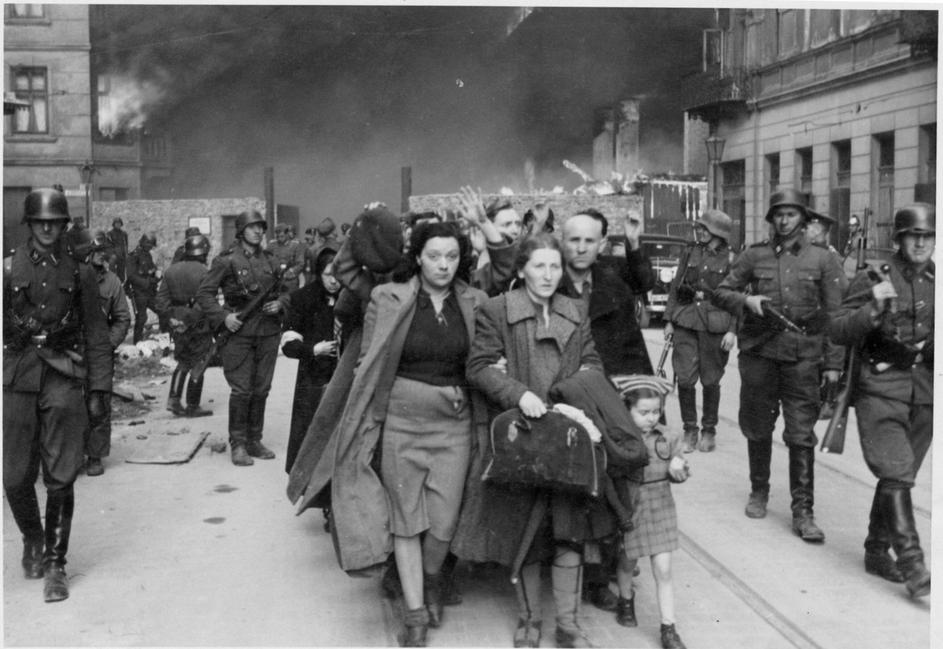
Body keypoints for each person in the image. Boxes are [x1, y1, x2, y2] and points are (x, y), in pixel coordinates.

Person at [463, 233, 607, 649]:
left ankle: (568, 624)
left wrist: (573, 397)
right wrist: (517, 393)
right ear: (522, 268)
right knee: (525, 532)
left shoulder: (575, 311)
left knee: (568, 530)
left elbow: (593, 362)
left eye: (555, 266)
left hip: (565, 433)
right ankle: (528, 620)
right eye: (539, 266)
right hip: (521, 437)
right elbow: (479, 367)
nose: (547, 275)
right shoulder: (496, 310)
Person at [712, 188, 845, 542]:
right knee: (757, 426)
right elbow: (721, 291)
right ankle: (759, 490)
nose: (784, 220)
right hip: (760, 354)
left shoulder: (823, 260)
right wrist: (747, 299)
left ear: (803, 218)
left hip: (804, 358)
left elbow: (837, 317)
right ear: (771, 219)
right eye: (779, 215)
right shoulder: (753, 255)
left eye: (791, 214)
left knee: (801, 434)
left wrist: (833, 365)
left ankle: (803, 512)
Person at [3, 188, 113, 602]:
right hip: (18, 375)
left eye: (56, 221)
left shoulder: (81, 272)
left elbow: (97, 335)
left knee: (62, 474)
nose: (48, 228)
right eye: (40, 222)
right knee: (14, 477)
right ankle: (32, 538)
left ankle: (55, 564)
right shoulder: (7, 269)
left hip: (64, 375)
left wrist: (99, 387)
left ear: (65, 225)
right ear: (29, 225)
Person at [828, 203, 933, 599]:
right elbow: (837, 328)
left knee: (899, 476)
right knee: (896, 470)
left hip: (923, 390)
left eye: (927, 237)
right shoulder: (875, 276)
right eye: (913, 236)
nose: (921, 243)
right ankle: (913, 565)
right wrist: (873, 308)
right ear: (899, 239)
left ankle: (876, 550)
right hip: (881, 385)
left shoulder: (937, 281)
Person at [555, 207, 655, 612]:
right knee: (577, 491)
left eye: (589, 240)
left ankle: (603, 575)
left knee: (618, 489)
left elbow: (644, 288)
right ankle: (572, 574)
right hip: (567, 396)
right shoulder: (548, 279)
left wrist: (634, 242)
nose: (580, 248)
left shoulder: (614, 280)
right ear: (562, 241)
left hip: (615, 394)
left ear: (601, 244)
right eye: (573, 239)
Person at [197, 209, 286, 466]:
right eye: (252, 227)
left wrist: (280, 303)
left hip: (268, 331)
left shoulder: (270, 259)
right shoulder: (226, 260)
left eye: (261, 227)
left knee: (262, 389)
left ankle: (254, 440)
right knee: (242, 389)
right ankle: (238, 443)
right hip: (240, 333)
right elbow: (205, 294)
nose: (258, 231)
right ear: (241, 231)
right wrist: (224, 317)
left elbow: (287, 292)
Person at [613, 375, 689, 649]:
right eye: (643, 412)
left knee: (664, 569)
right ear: (627, 410)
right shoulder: (619, 438)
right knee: (627, 561)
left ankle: (669, 628)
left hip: (660, 505)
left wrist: (678, 467)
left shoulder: (668, 436)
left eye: (656, 411)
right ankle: (625, 600)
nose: (651, 418)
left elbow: (681, 463)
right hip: (631, 507)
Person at [663, 209, 736, 453]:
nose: (701, 231)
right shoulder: (690, 251)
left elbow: (737, 297)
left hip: (716, 324)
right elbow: (676, 285)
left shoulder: (732, 259)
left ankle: (709, 430)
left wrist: (732, 331)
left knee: (711, 380)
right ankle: (690, 430)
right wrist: (669, 319)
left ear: (719, 234)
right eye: (701, 228)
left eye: (705, 229)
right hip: (686, 319)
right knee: (684, 378)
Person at [281, 244, 341, 475]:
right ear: (318, 273)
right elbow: (288, 343)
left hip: (343, 376)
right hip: (313, 377)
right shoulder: (302, 298)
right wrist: (313, 349)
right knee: (311, 433)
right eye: (328, 275)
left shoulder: (352, 298)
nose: (334, 281)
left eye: (338, 275)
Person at [83, 235, 131, 476]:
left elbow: (123, 317)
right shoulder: (72, 275)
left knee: (97, 404)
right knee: (68, 404)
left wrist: (108, 343)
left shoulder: (111, 281)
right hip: (71, 349)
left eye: (104, 251)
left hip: (100, 351)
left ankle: (94, 456)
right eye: (97, 251)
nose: (102, 256)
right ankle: (68, 455)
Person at [155, 233, 214, 418]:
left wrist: (171, 319)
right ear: (203, 252)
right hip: (199, 323)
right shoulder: (206, 272)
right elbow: (204, 302)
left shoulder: (171, 271)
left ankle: (173, 400)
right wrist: (188, 320)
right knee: (200, 360)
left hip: (175, 321)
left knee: (182, 361)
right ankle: (192, 405)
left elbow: (161, 300)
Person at [126, 232, 161, 343]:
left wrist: (157, 276)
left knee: (161, 310)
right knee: (141, 318)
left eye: (151, 246)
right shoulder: (133, 256)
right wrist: (147, 282)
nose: (151, 248)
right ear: (144, 243)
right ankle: (137, 343)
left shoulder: (148, 255)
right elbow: (131, 276)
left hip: (150, 292)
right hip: (138, 292)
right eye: (149, 245)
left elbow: (151, 270)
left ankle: (164, 338)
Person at [269, 222, 305, 292]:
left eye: (281, 236)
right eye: (277, 237)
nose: (279, 239)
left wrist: (289, 273)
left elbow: (300, 263)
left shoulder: (295, 246)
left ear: (287, 234)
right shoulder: (271, 245)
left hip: (290, 281)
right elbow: (265, 260)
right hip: (275, 281)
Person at [106, 216, 129, 281]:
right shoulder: (109, 233)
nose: (118, 224)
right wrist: (114, 253)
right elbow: (108, 246)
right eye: (116, 223)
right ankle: (112, 280)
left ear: (121, 224)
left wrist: (126, 254)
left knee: (121, 272)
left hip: (122, 254)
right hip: (113, 254)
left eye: (119, 223)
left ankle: (121, 282)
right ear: (114, 224)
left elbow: (126, 245)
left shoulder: (124, 234)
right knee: (112, 262)